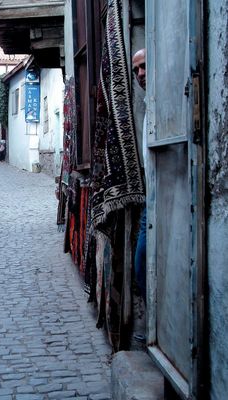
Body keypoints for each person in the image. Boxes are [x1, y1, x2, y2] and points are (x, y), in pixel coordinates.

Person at [132, 48, 147, 302]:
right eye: (135, 70)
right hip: (151, 197)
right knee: (141, 264)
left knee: (142, 261)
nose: (140, 74)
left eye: (144, 66)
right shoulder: (147, 104)